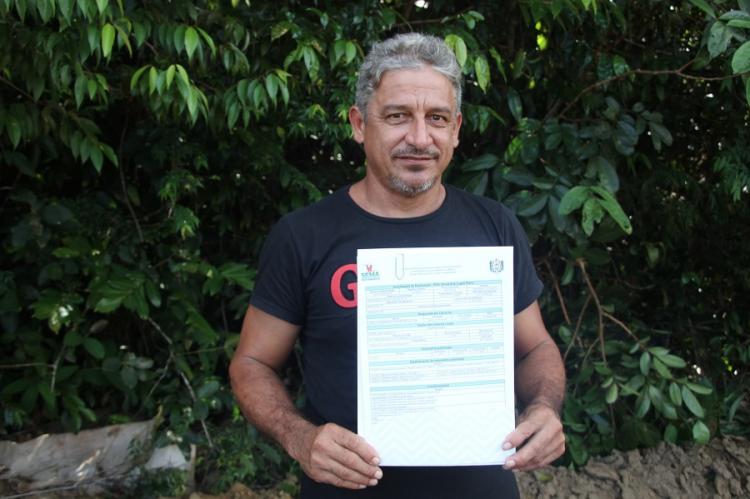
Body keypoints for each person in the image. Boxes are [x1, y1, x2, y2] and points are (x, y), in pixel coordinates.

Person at [229, 32, 565, 498]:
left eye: (437, 118)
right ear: (359, 124)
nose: (419, 138)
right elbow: (251, 362)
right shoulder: (304, 236)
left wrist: (544, 407)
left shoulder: (495, 226)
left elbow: (535, 348)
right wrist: (300, 437)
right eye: (397, 116)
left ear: (456, 129)